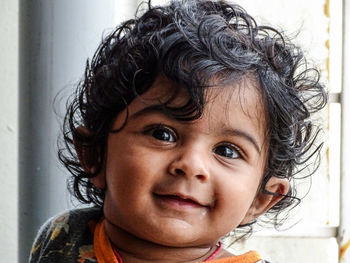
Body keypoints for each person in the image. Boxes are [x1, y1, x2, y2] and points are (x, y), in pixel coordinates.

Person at [29, 0, 327, 262]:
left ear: (261, 199)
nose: (191, 165)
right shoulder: (64, 236)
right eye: (162, 134)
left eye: (226, 151)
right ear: (95, 153)